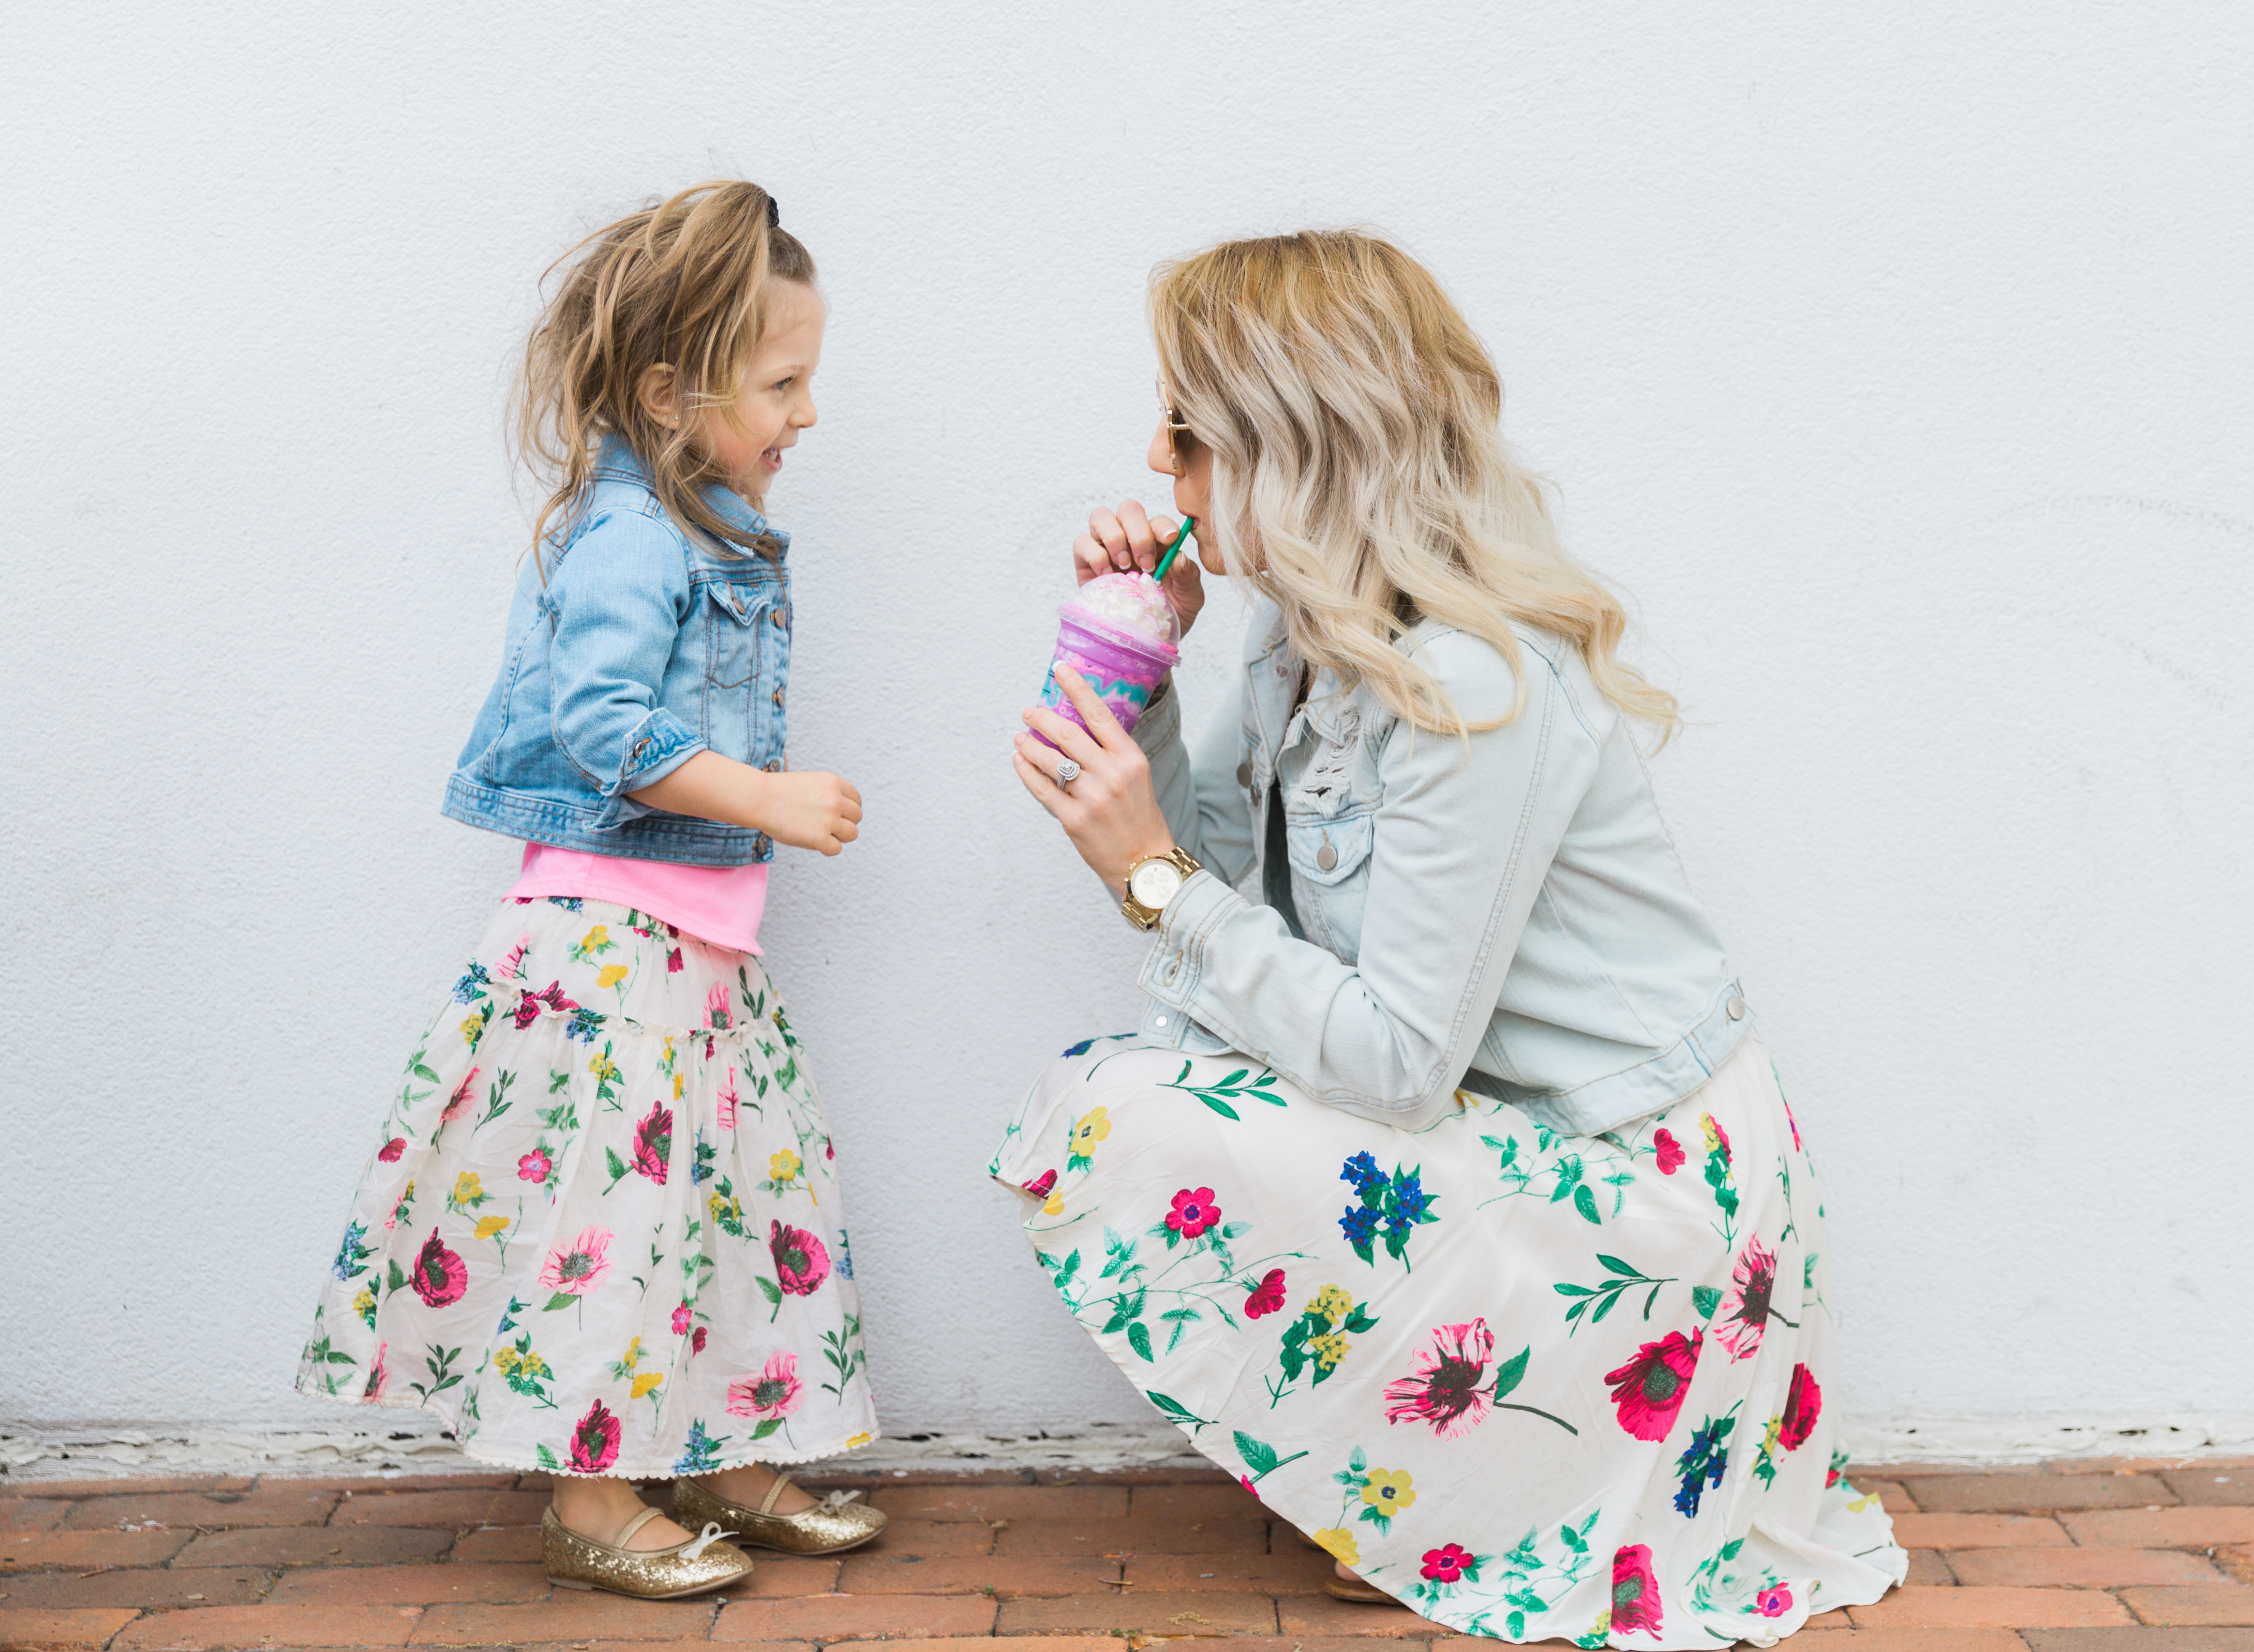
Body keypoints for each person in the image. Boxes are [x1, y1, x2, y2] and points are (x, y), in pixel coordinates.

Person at [1000, 230, 1906, 1647]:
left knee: (1128, 1108)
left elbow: (1395, 1056)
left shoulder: (1463, 681)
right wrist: (1155, 688)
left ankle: (1506, 1477)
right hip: (1528, 1146)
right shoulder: (1305, 639)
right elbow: (1247, 898)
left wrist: (1155, 883)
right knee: (1131, 1091)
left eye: (1183, 433)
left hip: (1646, 1190)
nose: (1160, 467)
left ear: (1283, 447)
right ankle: (1473, 1472)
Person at [296, 181, 885, 1599]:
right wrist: (770, 802)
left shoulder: (703, 523)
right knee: (611, 1219)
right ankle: (591, 1489)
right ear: (671, 393)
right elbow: (601, 727)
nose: (806, 415)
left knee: (727, 1204)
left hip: (688, 942)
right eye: (783, 384)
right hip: (610, 945)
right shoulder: (632, 535)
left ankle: (727, 1450)